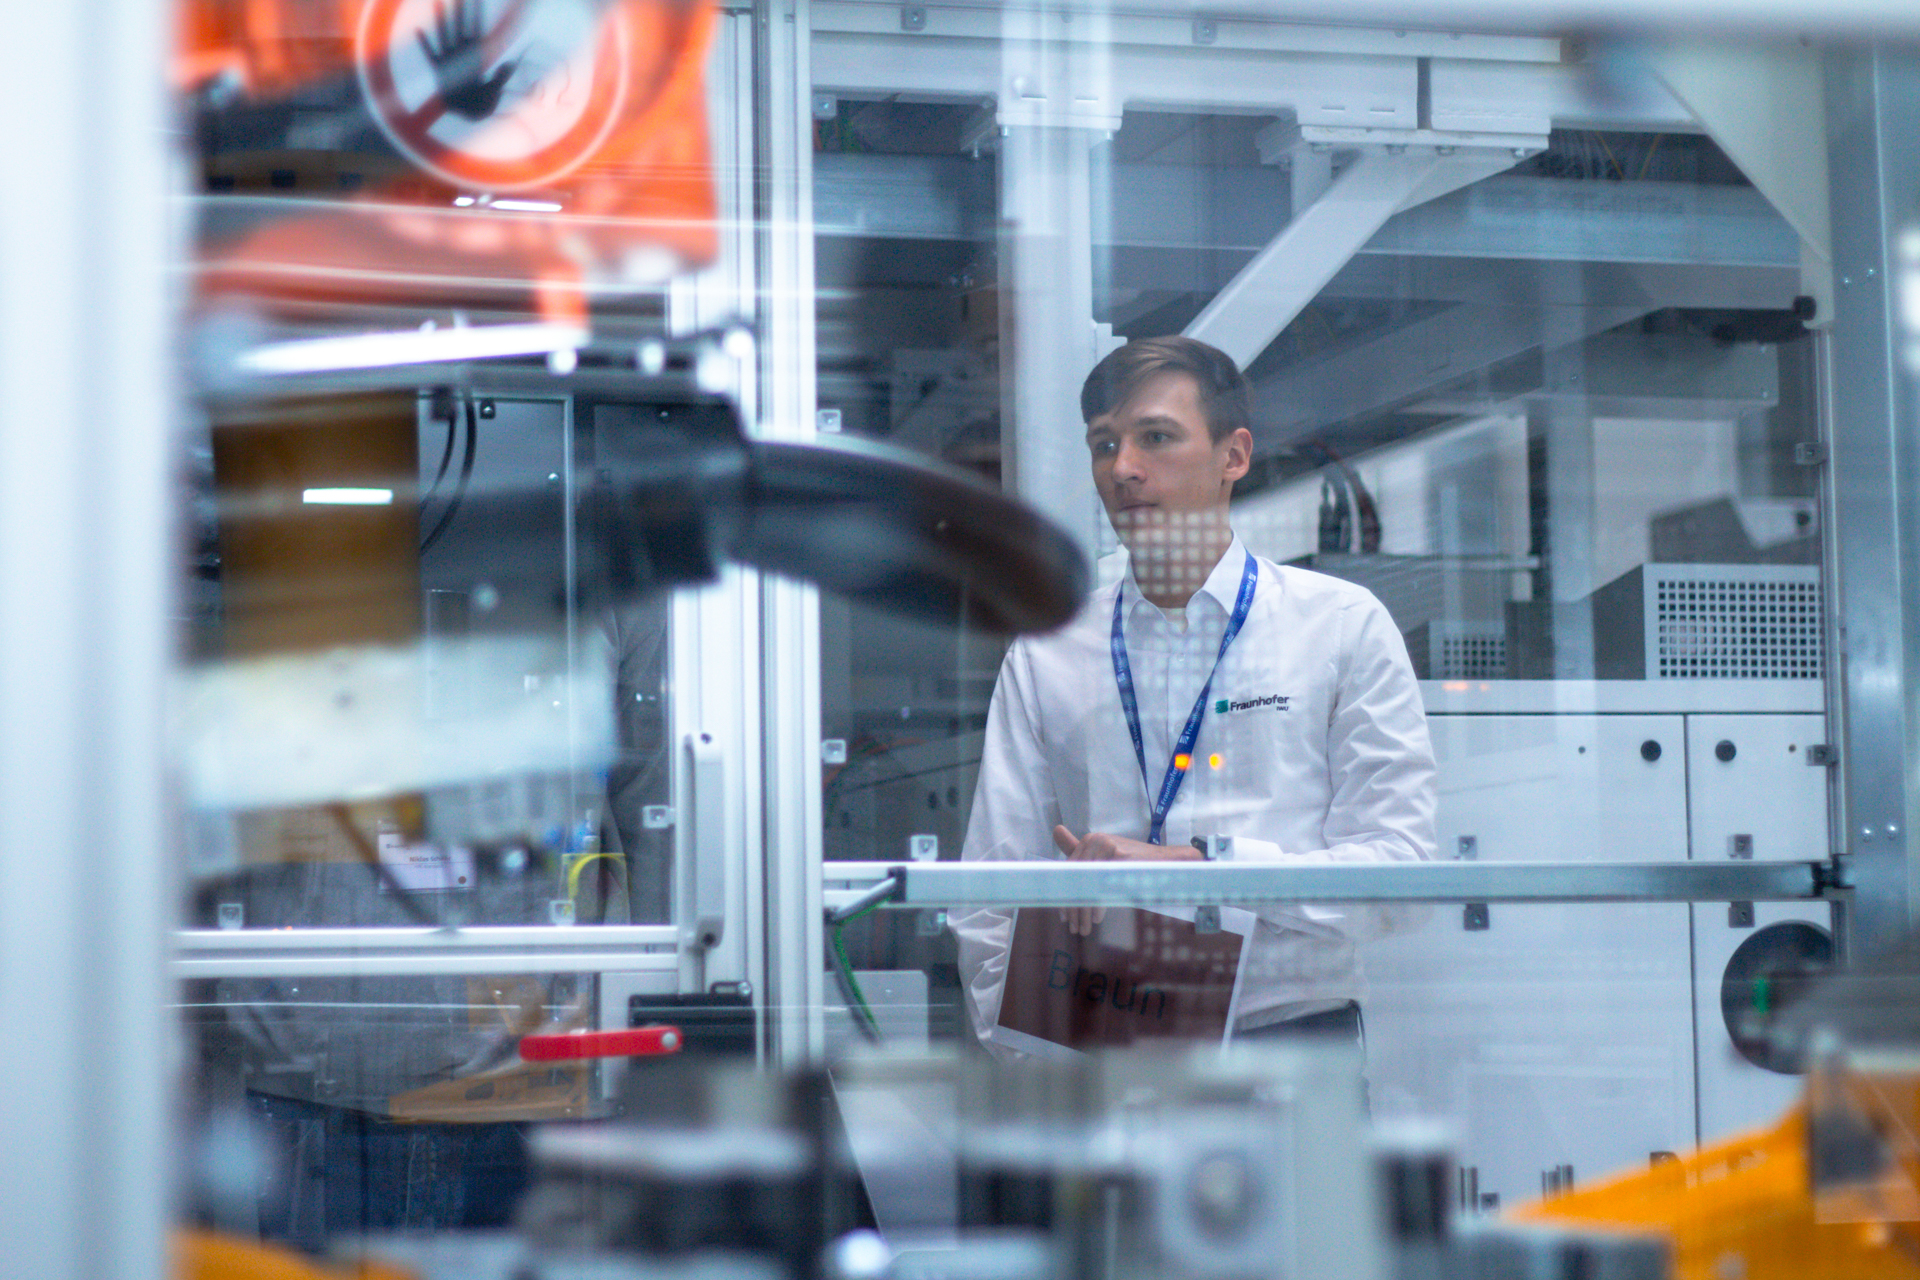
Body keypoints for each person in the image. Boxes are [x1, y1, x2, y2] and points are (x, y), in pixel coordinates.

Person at [952, 335, 1437, 1052]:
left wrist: (1207, 868)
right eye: (1104, 444)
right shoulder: (1049, 649)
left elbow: (1403, 873)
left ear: (1233, 456)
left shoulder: (1338, 624)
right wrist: (1032, 1056)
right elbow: (987, 893)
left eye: (1156, 437)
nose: (1123, 468)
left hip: (1290, 1045)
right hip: (1100, 1042)